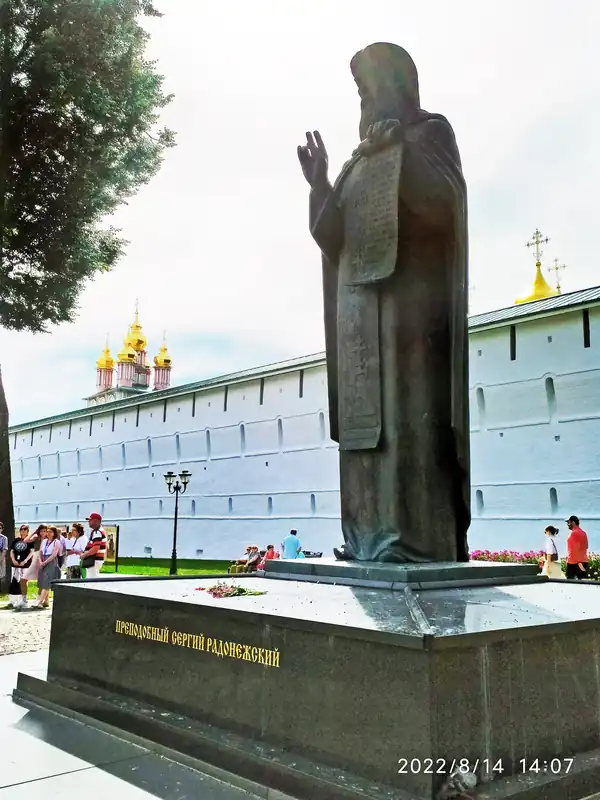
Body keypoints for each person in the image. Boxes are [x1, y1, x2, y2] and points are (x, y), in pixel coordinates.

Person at [298, 42, 469, 563]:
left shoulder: (430, 131)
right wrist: (321, 182)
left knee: (404, 418)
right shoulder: (356, 161)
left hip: (409, 309)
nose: (364, 101)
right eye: (358, 93)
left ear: (397, 85)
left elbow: (445, 205)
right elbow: (331, 237)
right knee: (364, 426)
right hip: (358, 314)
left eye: (368, 88)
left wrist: (401, 152)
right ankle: (364, 536)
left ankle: (413, 540)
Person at [9, 525, 34, 610]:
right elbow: (12, 551)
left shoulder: (30, 541)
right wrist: (13, 560)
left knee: (23, 582)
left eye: (25, 529)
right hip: (15, 564)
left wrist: (25, 561)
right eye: (21, 529)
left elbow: (31, 552)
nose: (23, 531)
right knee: (14, 581)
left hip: (25, 564)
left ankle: (23, 600)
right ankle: (12, 601)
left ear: (28, 531)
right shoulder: (16, 540)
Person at [35, 526, 61, 608]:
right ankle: (46, 601)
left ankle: (40, 601)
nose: (48, 533)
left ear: (54, 533)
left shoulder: (56, 542)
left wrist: (45, 562)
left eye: (50, 532)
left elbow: (54, 554)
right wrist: (40, 561)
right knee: (42, 580)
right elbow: (40, 551)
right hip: (43, 559)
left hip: (51, 561)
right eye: (47, 531)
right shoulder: (44, 541)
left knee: (47, 581)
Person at [81, 513, 107, 578]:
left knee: (91, 581)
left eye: (90, 520)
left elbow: (95, 548)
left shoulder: (97, 532)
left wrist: (84, 555)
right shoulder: (98, 531)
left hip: (94, 560)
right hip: (94, 560)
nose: (89, 522)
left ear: (96, 521)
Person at [565, 515, 589, 580]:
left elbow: (574, 549)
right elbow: (586, 546)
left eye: (568, 522)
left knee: (570, 584)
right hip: (583, 561)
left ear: (573, 522)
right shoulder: (584, 533)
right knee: (582, 585)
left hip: (573, 563)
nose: (567, 524)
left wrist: (578, 562)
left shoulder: (573, 534)